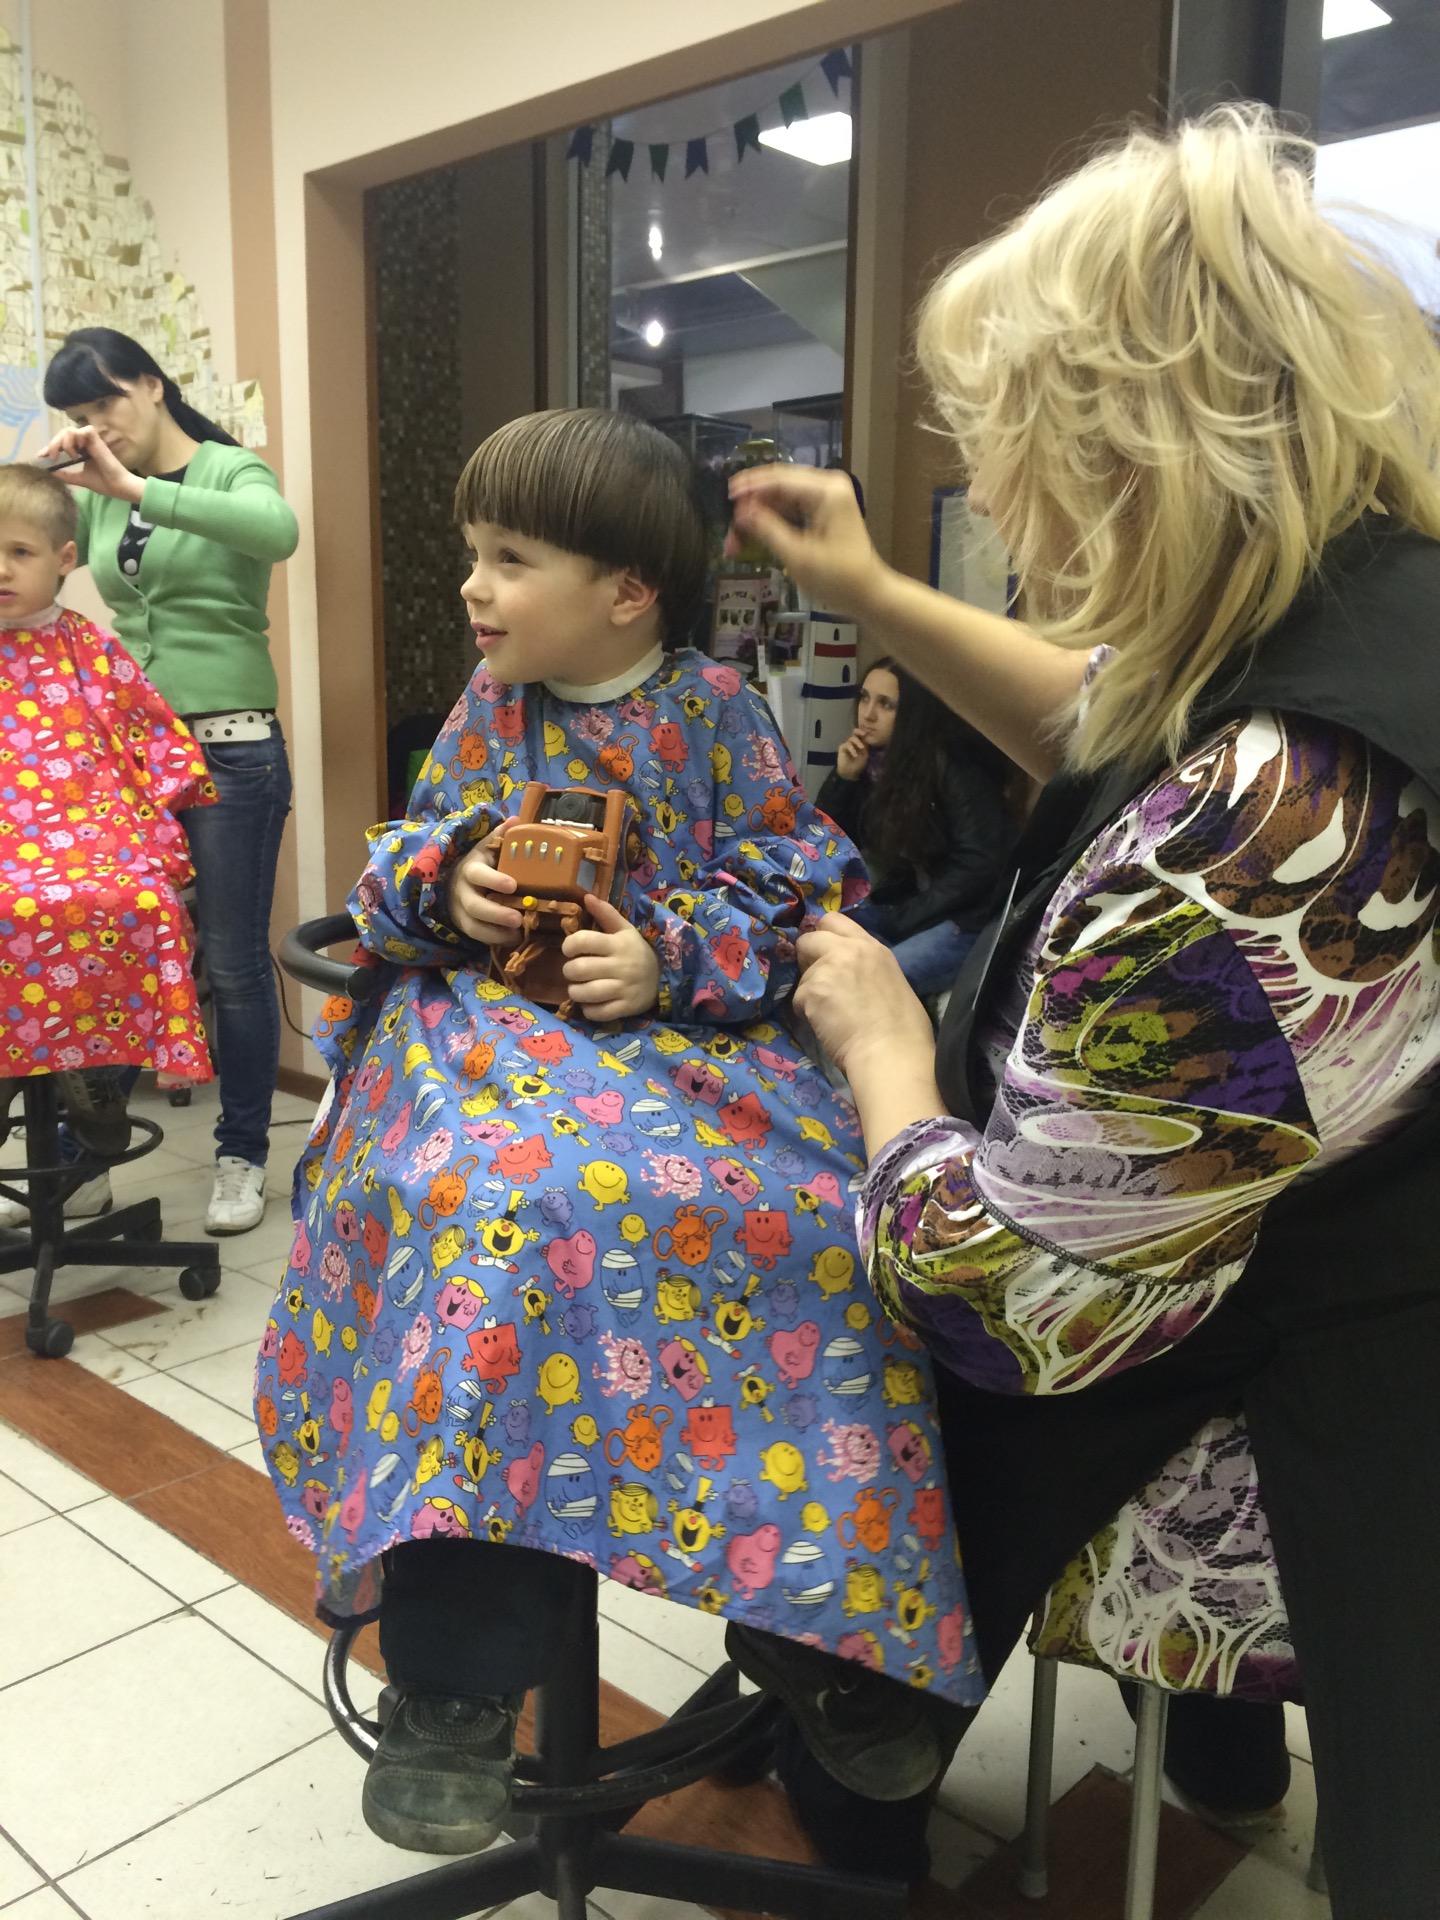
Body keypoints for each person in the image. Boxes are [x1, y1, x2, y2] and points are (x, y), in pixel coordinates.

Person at [728, 106, 1440, 1916]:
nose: (992, 499)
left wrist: (889, 1054)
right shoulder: (1375, 625)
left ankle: (856, 1716)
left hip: (1302, 1442)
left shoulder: (1259, 839)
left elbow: (1010, 1306)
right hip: (1354, 1255)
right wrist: (869, 595)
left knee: (795, 1307)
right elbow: (1117, 722)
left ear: (1116, 446)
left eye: (999, 447)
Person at [254, 409, 981, 1859]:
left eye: (508, 559)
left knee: (816, 1232)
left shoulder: (717, 713)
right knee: (502, 1221)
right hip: (481, 1047)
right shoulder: (489, 709)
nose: (473, 587)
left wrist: (667, 953)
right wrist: (450, 880)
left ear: (628, 592)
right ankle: (455, 1678)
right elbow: (404, 853)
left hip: (685, 1048)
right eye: (474, 552)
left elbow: (794, 887)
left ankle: (821, 1633)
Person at [26, 327, 299, 1236]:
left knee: (233, 962)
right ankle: (88, 1162)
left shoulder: (226, 470)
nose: (97, 422)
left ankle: (242, 1155)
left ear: (152, 384)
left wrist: (133, 489)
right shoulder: (98, 495)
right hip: (132, 759)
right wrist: (42, 484)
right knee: (110, 945)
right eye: (79, 413)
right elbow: (33, 557)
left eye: (105, 401)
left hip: (232, 751)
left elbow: (279, 532)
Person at [0, 464, 215, 1155]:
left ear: (65, 558)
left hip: (94, 840)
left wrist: (160, 806)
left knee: (139, 902)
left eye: (20, 552)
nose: (1, 569)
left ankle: (90, 1069)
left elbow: (157, 735)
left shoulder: (89, 647)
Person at [817, 658, 1010, 996]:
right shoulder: (874, 762)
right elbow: (828, 845)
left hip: (969, 916)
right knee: (816, 937)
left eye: (886, 705)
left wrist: (903, 919)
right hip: (913, 903)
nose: (868, 714)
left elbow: (980, 863)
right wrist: (844, 780)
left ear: (911, 713)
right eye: (864, 698)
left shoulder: (952, 762)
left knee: (873, 985)